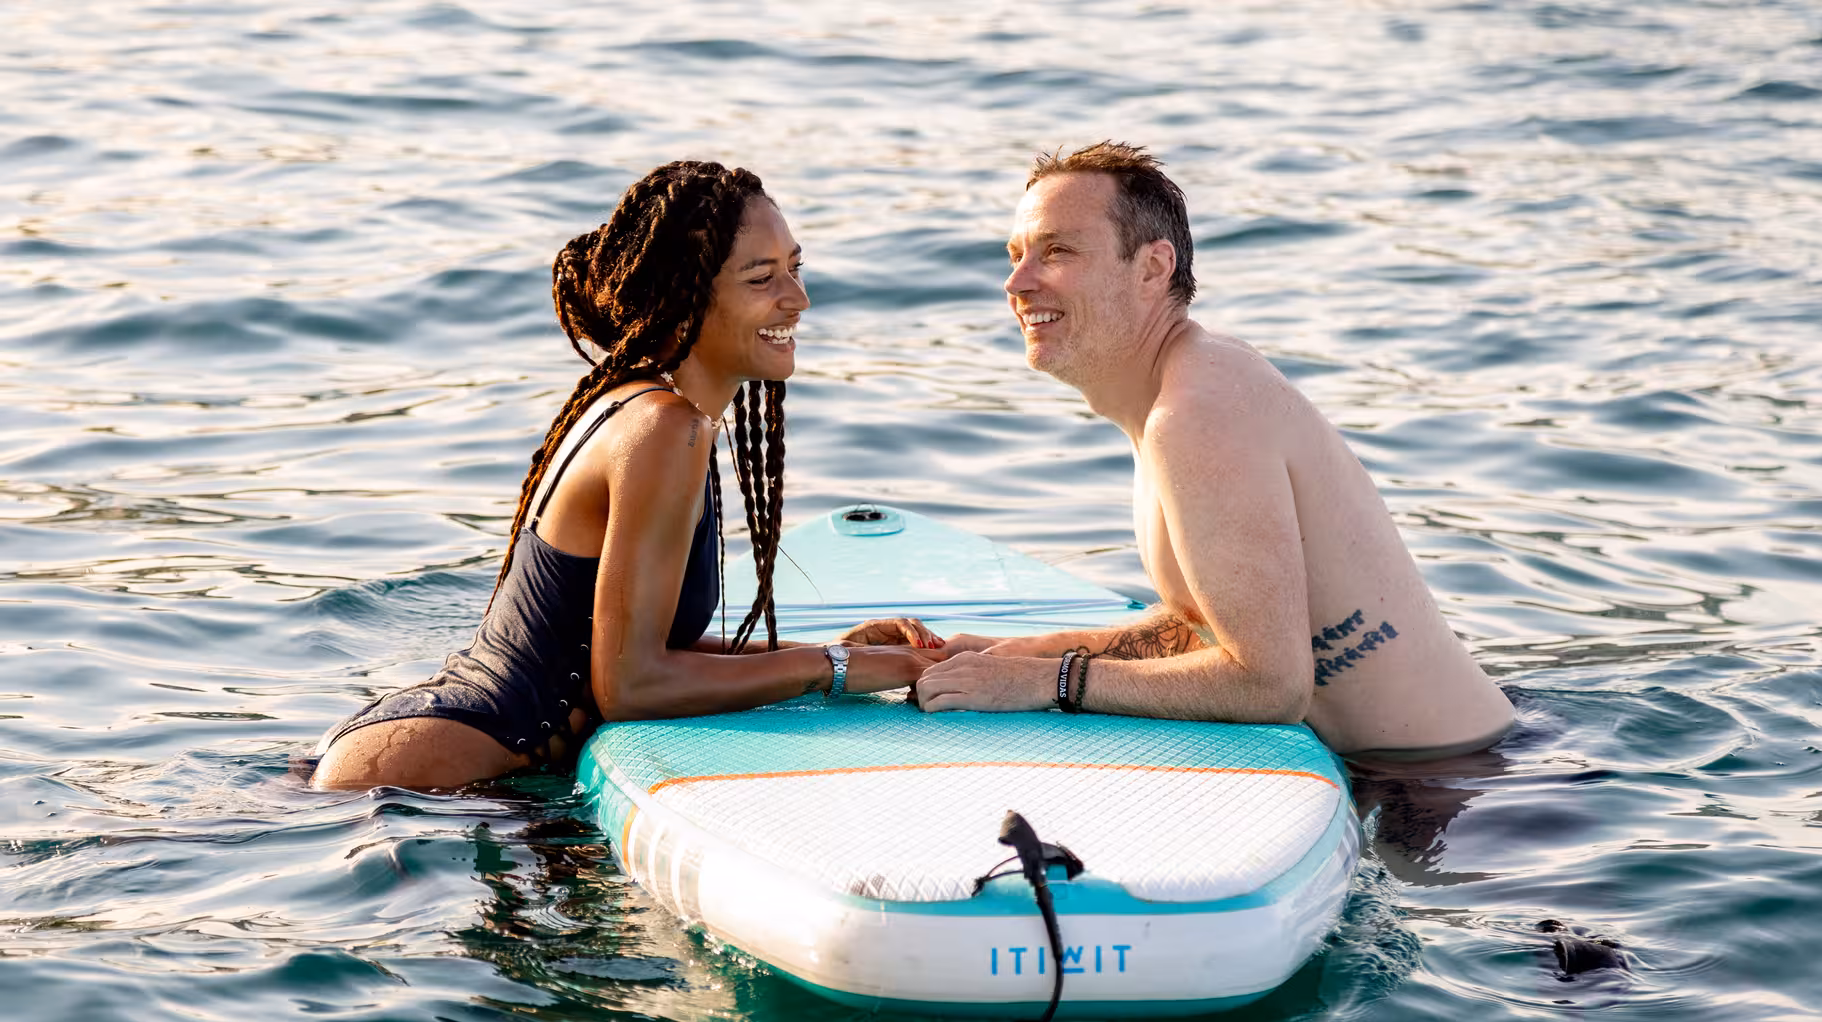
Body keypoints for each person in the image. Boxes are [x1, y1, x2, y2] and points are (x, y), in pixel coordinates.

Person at [315, 161, 939, 790]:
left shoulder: (653, 411)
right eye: (761, 277)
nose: (798, 299)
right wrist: (829, 668)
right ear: (687, 294)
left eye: (795, 269)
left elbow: (633, 654)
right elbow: (631, 687)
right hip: (427, 778)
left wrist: (840, 653)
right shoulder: (665, 429)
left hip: (425, 751)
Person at [915, 142, 1513, 759]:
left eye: (1057, 251)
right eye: (1016, 255)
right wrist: (1004, 655)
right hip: (1444, 768)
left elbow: (1270, 686)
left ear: (1152, 268)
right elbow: (1209, 627)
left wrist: (1047, 682)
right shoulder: (1190, 385)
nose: (1016, 282)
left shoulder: (1198, 417)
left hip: (1460, 792)